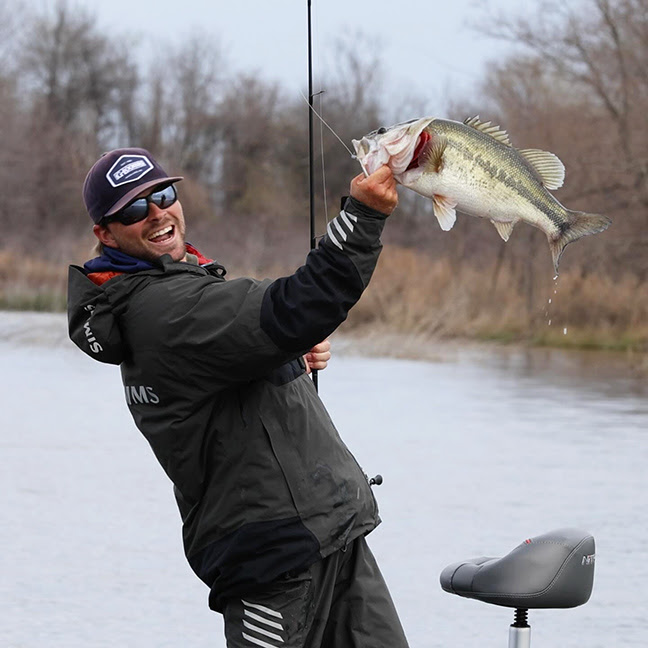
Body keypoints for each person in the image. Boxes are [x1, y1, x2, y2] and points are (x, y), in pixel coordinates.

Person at [68, 147, 408, 648]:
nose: (159, 213)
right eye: (136, 209)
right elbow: (299, 306)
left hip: (330, 531)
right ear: (106, 233)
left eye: (163, 195)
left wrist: (286, 354)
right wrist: (361, 216)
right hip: (276, 560)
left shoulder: (180, 289)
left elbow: (234, 370)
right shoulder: (164, 308)